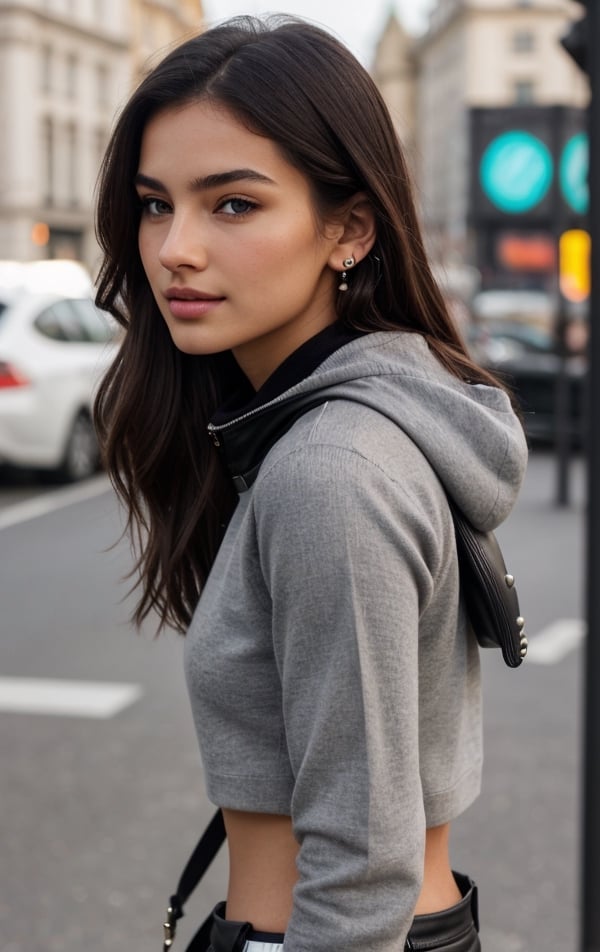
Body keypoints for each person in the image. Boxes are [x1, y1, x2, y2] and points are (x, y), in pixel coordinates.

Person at [93, 16, 527, 952]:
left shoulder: (333, 471)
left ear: (350, 228)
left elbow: (363, 858)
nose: (174, 247)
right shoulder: (334, 428)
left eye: (234, 204)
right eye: (156, 202)